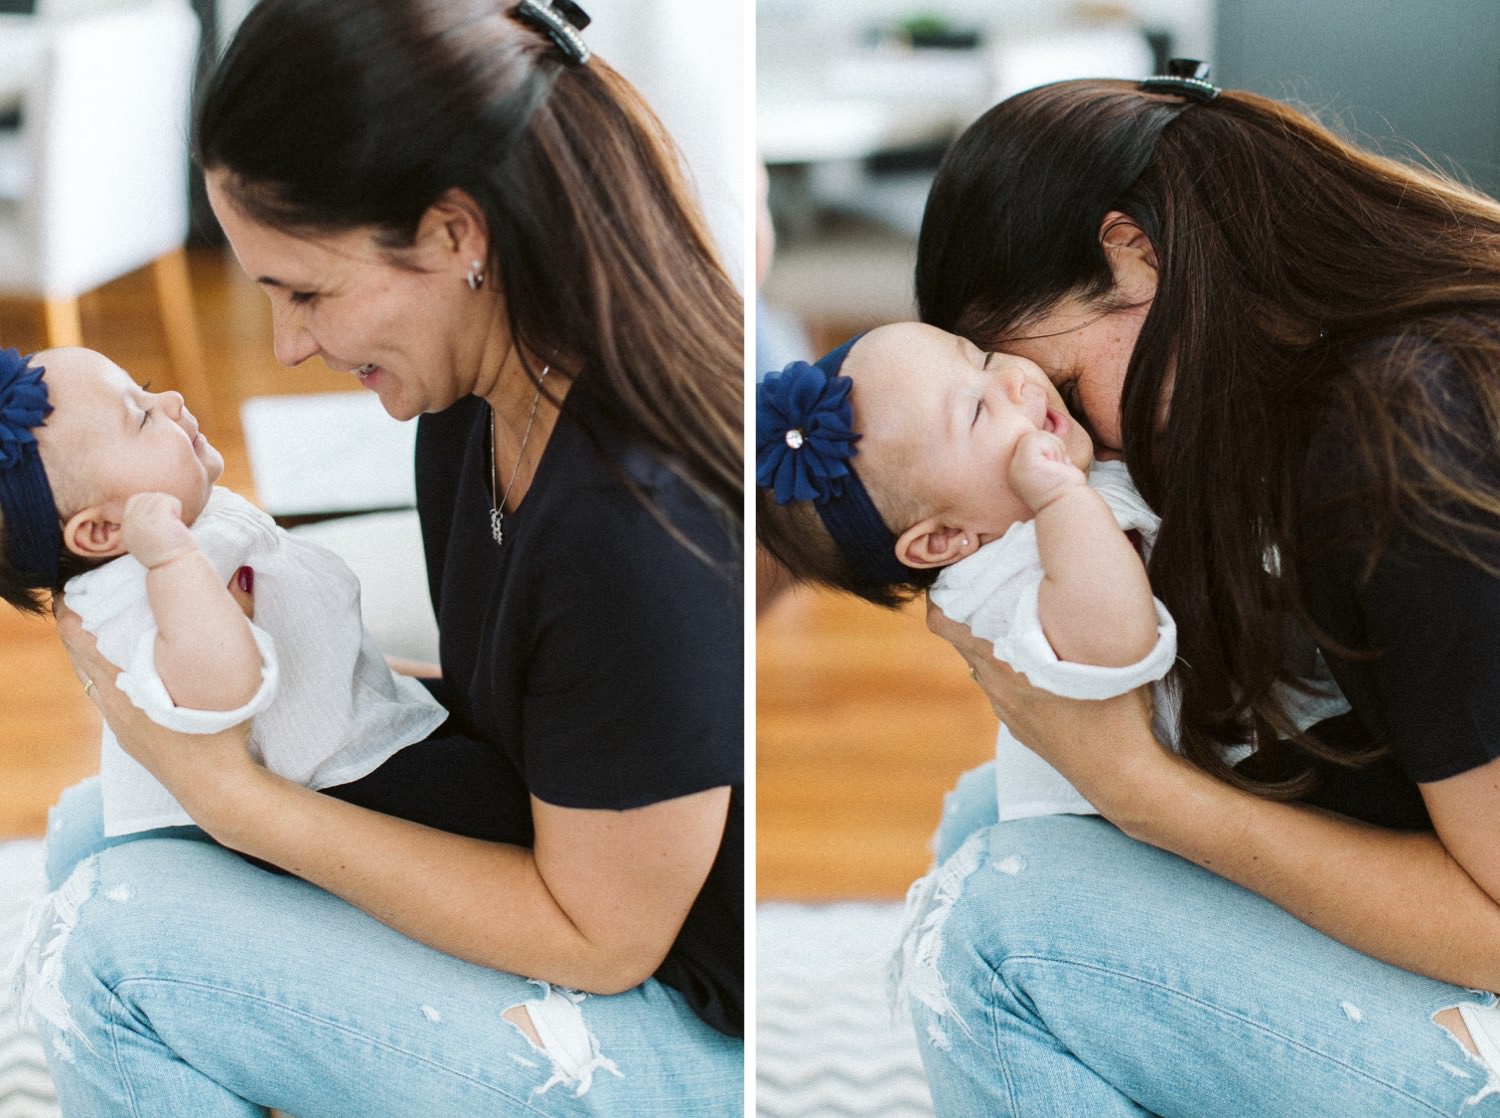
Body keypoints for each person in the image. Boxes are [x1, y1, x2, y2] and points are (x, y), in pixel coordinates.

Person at [33, 1, 744, 1114]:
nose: (288, 345)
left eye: (306, 290)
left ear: (459, 234)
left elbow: (601, 939)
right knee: (96, 826)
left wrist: (234, 798)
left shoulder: (635, 525)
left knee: (116, 951)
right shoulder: (470, 401)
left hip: (684, 1022)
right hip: (581, 886)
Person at [904, 61, 1500, 1116]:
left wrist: (1147, 791)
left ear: (1133, 248)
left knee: (990, 928)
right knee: (990, 817)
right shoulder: (1327, 376)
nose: (1086, 452)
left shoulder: (1400, 440)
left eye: (1064, 393)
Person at [0, 344, 447, 839]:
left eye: (145, 391)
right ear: (104, 532)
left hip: (364, 717)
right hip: (337, 785)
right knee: (499, 795)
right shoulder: (134, 593)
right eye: (142, 417)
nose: (170, 399)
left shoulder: (165, 536)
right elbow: (224, 691)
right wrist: (174, 562)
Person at [756, 322, 1183, 820]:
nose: (1013, 380)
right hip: (1108, 837)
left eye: (981, 357)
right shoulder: (996, 581)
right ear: (942, 539)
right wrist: (1062, 498)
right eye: (978, 410)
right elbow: (1117, 642)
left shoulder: (1046, 485)